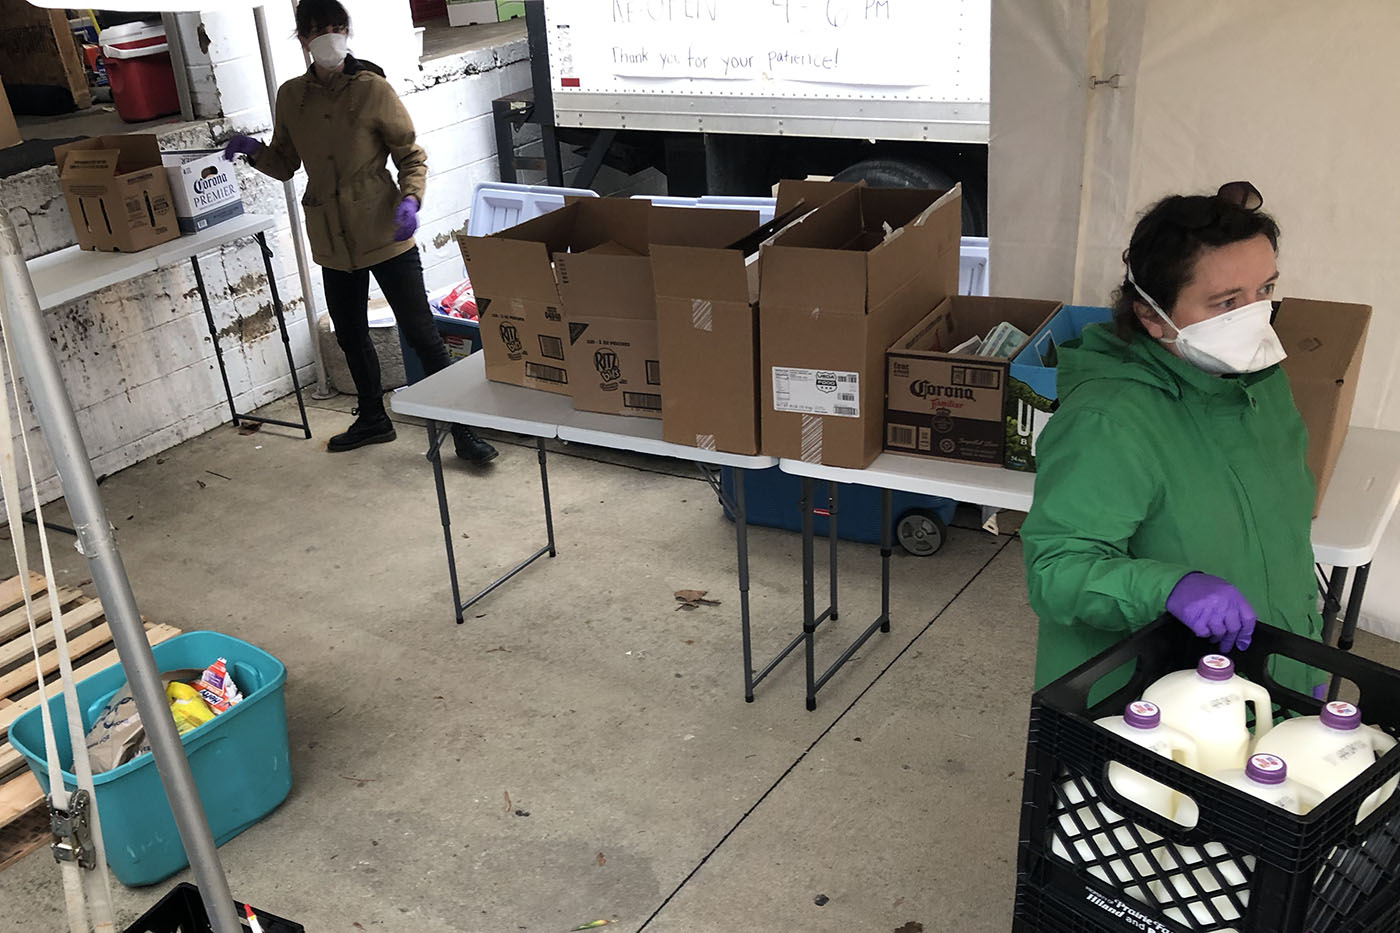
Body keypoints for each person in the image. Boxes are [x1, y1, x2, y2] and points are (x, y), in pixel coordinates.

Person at [1021, 181, 1323, 698]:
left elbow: (1281, 534)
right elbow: (1056, 570)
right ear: (1149, 315)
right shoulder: (1109, 420)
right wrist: (1170, 588)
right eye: (1226, 302)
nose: (1253, 317)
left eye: (1265, 291)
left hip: (1269, 673)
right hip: (1156, 702)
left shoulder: (1260, 383)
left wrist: (1302, 668)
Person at [223, 0, 496, 463]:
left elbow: (411, 154)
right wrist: (254, 152)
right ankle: (373, 417)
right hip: (332, 238)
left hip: (384, 229)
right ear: (302, 38)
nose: (328, 36)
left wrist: (411, 199)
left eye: (336, 27)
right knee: (350, 333)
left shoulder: (372, 89)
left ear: (347, 31)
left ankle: (463, 430)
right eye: (317, 30)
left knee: (422, 334)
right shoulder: (292, 96)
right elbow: (286, 164)